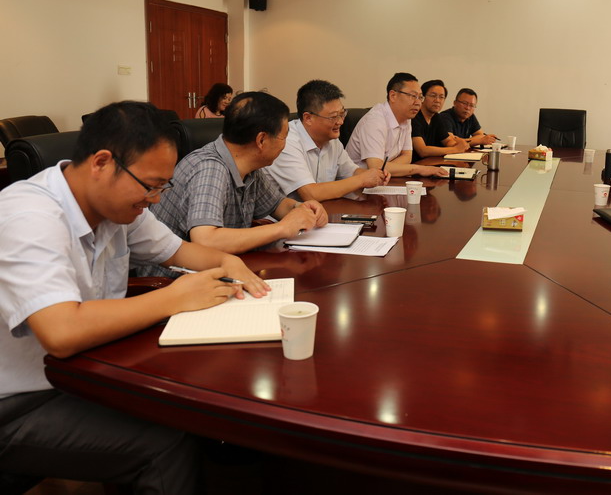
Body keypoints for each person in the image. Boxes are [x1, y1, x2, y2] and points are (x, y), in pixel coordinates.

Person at [0, 101, 267, 493]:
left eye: (162, 186)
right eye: (150, 185)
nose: (155, 199)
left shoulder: (116, 207)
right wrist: (174, 298)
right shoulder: (29, 216)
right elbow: (61, 332)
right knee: (166, 443)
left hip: (79, 374)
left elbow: (180, 251)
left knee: (190, 405)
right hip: (18, 399)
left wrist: (228, 261)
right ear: (102, 163)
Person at [146, 91, 328, 277]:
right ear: (261, 140)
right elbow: (206, 241)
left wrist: (302, 209)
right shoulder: (210, 168)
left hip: (220, 270)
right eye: (284, 137)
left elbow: (278, 205)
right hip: (171, 282)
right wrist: (281, 228)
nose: (284, 145)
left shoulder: (249, 166)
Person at [266, 80, 390, 202]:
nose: (340, 121)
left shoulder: (331, 140)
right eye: (333, 116)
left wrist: (374, 175)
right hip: (284, 214)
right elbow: (311, 194)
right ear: (308, 118)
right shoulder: (286, 141)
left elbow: (351, 172)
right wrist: (362, 179)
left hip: (322, 211)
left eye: (342, 114)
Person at [345, 73, 448, 178]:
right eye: (413, 96)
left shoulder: (406, 118)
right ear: (393, 96)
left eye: (420, 97)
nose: (418, 103)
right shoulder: (375, 121)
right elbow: (375, 167)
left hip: (384, 179)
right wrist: (420, 169)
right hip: (357, 183)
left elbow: (407, 156)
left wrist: (386, 168)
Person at [411, 79, 469, 159]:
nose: (437, 100)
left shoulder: (436, 117)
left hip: (430, 162)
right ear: (422, 97)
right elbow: (422, 151)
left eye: (441, 97)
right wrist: (455, 149)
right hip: (415, 164)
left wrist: (458, 144)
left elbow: (447, 141)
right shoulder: (414, 117)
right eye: (433, 96)